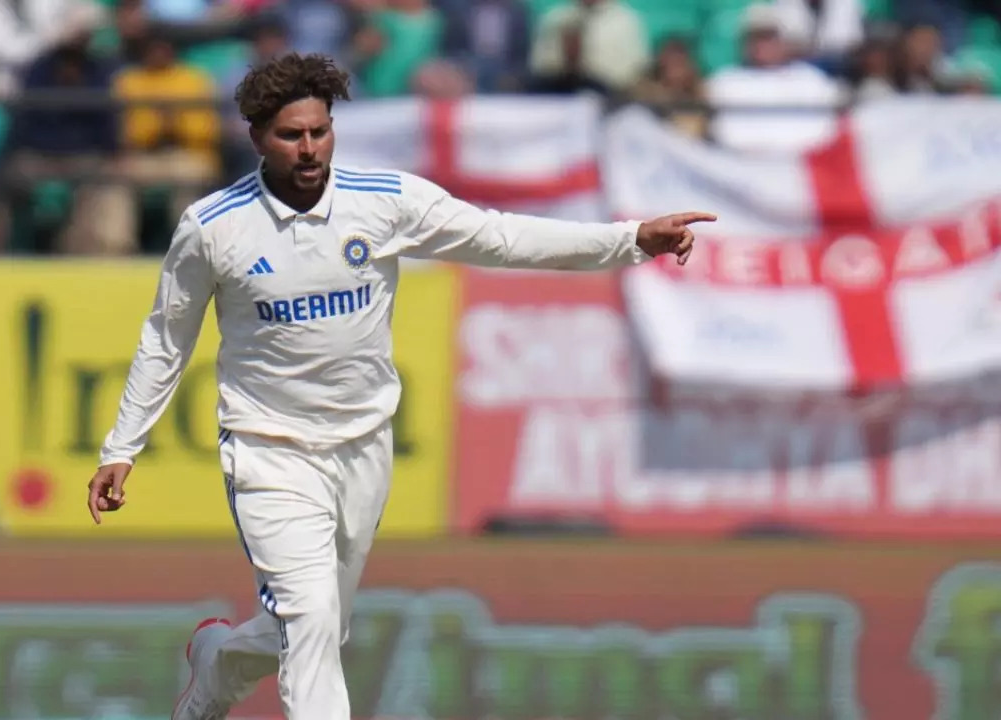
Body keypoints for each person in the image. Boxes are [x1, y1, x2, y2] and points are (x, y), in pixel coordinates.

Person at [85, 52, 715, 720]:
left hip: (361, 446)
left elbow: (499, 238)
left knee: (315, 630)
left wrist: (630, 239)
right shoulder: (213, 227)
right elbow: (167, 336)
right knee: (311, 619)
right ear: (255, 139)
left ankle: (216, 664)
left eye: (319, 132)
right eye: (289, 135)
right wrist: (122, 447)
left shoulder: (383, 202)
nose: (308, 149)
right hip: (269, 449)